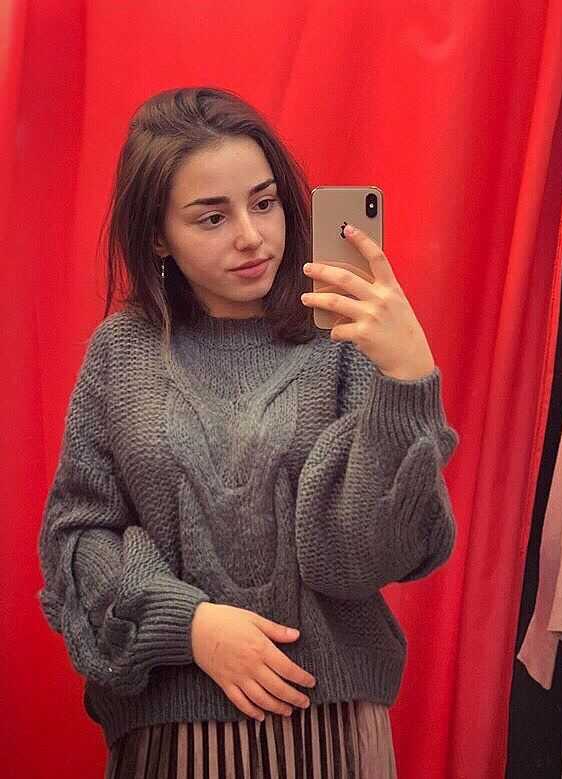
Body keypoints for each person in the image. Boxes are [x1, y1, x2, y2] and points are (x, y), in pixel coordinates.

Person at [37, 86, 459, 778]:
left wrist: (407, 381)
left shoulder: (344, 343)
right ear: (157, 235)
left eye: (264, 203)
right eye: (212, 217)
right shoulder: (122, 353)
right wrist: (190, 626)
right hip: (173, 731)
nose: (251, 236)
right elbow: (76, 539)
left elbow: (360, 559)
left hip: (331, 729)